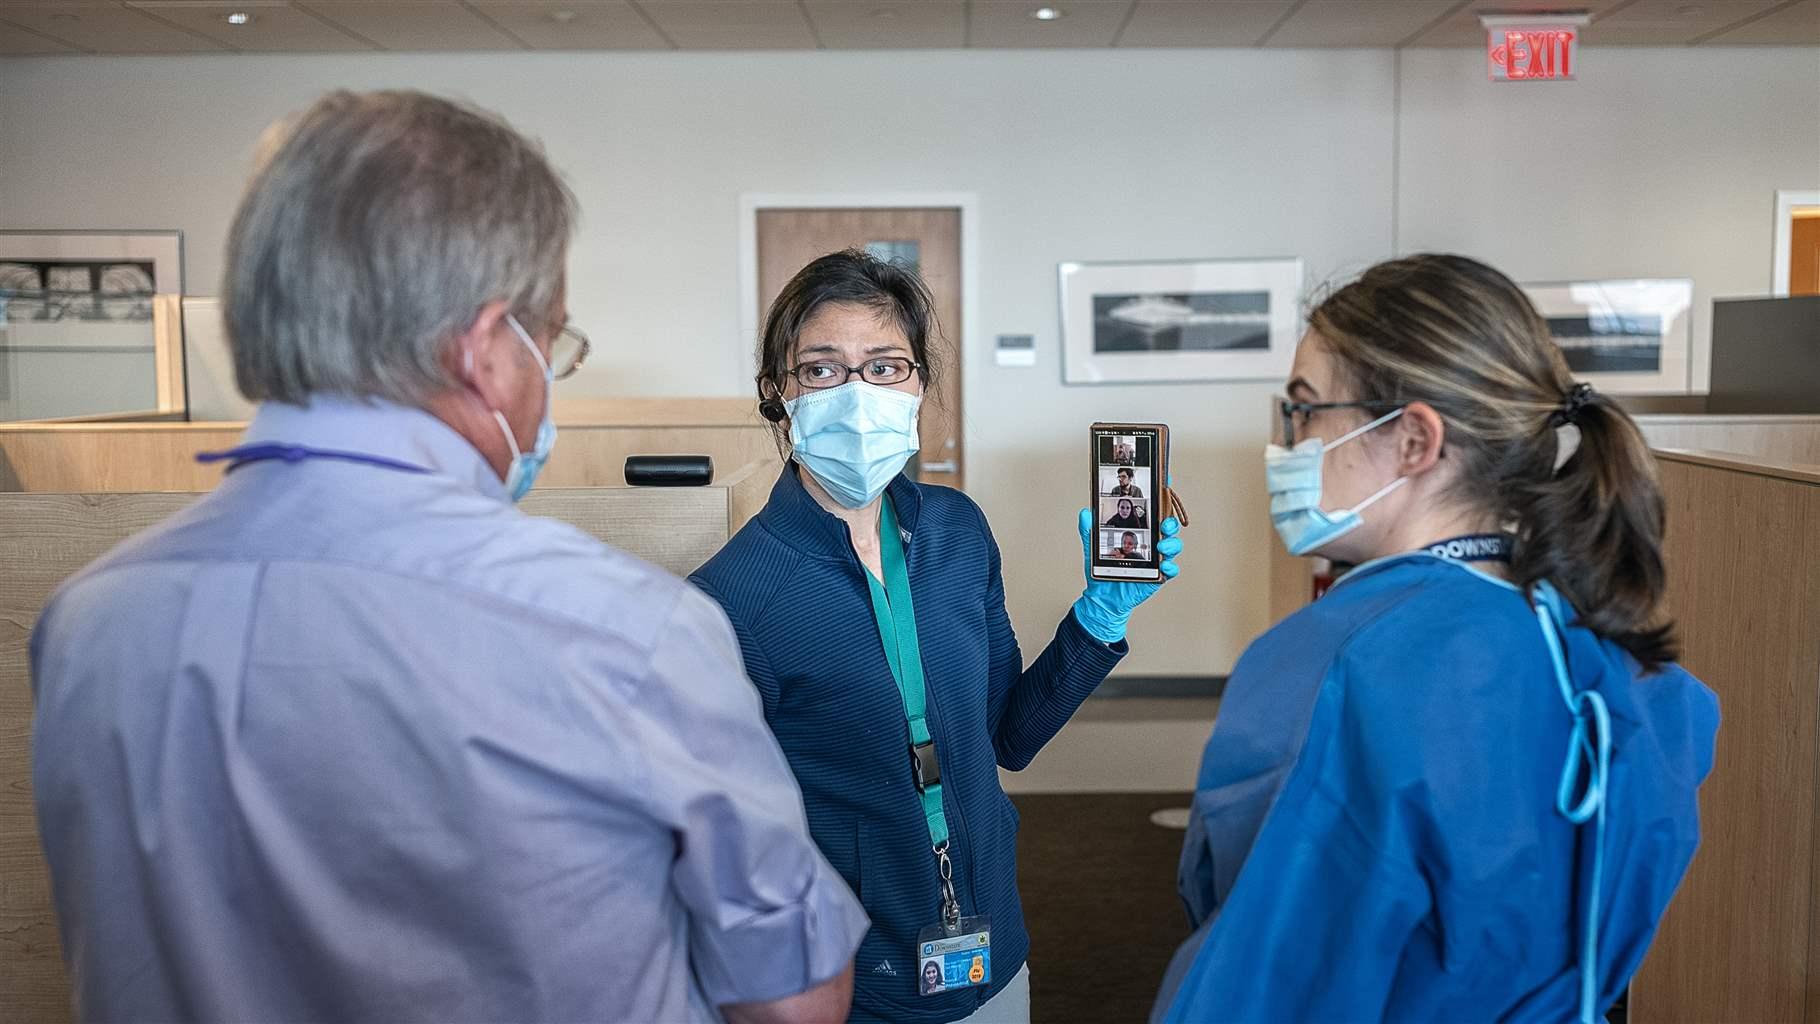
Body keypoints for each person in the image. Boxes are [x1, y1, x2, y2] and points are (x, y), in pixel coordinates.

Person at [29, 90, 866, 1024]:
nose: (549, 383)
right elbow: (793, 1003)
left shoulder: (84, 624)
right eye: (553, 343)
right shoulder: (623, 631)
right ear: (485, 349)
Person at [1153, 254, 1719, 1024]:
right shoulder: (1630, 671)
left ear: (1414, 441)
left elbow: (1265, 979)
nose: (1288, 444)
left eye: (1304, 410)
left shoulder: (1337, 667)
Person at [689, 250, 1186, 1024]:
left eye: (886, 367)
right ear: (778, 395)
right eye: (823, 370)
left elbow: (1008, 737)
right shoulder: (732, 599)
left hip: (992, 949)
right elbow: (720, 850)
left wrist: (1102, 614)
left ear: (920, 385)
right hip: (851, 982)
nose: (859, 394)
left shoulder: (956, 531)